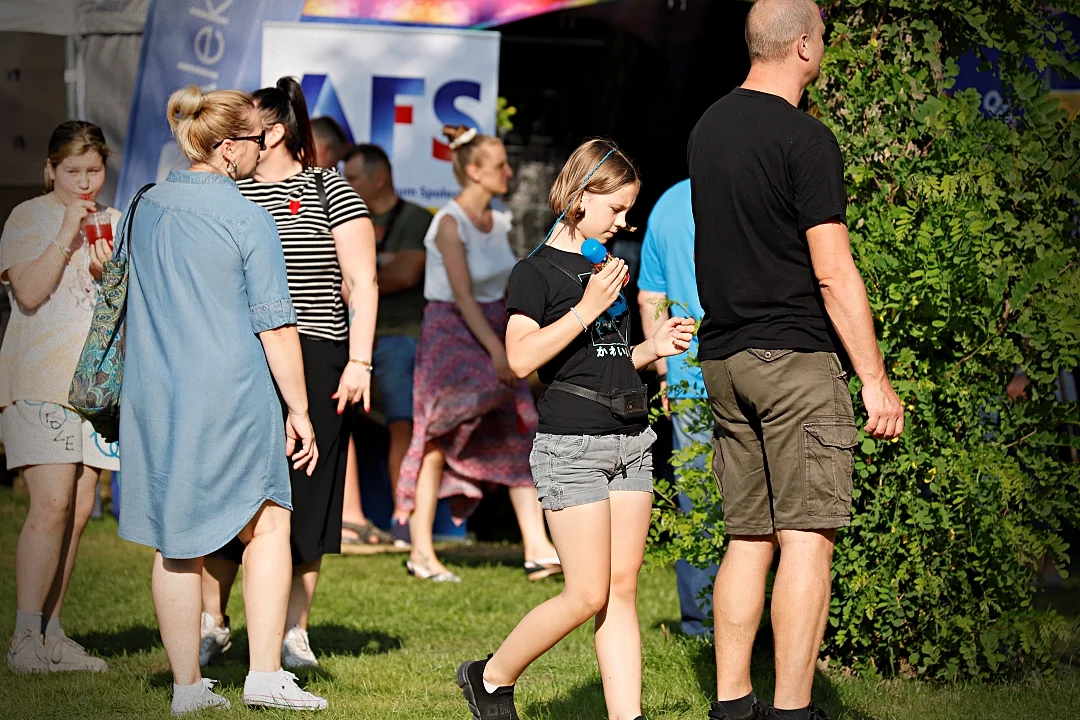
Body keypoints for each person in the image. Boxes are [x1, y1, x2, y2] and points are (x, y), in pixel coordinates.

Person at [687, 2, 905, 719]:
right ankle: (791, 711)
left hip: (723, 358)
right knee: (807, 541)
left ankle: (731, 705)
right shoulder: (805, 138)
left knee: (747, 537)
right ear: (805, 44)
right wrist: (874, 379)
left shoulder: (708, 127)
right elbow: (834, 271)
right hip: (794, 358)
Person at [455, 139, 695, 720]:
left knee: (621, 592)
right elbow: (519, 360)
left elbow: (601, 360)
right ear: (581, 195)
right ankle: (489, 677)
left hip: (630, 441)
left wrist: (649, 348)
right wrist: (587, 308)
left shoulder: (600, 270)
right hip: (573, 446)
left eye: (627, 211)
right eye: (615, 209)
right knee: (586, 594)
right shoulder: (535, 272)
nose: (622, 223)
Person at [117, 85, 326, 714]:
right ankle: (263, 676)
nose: (265, 151)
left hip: (155, 389)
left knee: (174, 539)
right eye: (259, 141)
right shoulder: (248, 215)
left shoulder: (144, 204)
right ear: (228, 145)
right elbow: (277, 324)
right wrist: (300, 411)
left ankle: (187, 688)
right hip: (233, 388)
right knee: (268, 522)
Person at [200, 76, 377, 670]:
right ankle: (213, 621)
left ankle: (292, 632)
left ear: (272, 131)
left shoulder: (328, 187)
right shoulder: (231, 191)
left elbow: (362, 281)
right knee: (234, 485)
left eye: (245, 126)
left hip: (320, 354)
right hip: (244, 355)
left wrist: (359, 360)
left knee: (310, 490)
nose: (232, 139)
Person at [397, 125, 560, 583]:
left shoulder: (502, 218)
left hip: (492, 327)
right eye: (500, 165)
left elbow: (504, 288)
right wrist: (498, 351)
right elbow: (464, 296)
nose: (510, 171)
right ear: (473, 171)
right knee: (436, 435)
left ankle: (537, 547)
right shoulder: (447, 222)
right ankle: (421, 552)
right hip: (451, 334)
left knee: (517, 423)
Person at [0, 121, 119, 674]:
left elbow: (121, 303)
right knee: (48, 506)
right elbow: (27, 291)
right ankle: (24, 636)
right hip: (41, 381)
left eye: (92, 171)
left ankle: (52, 632)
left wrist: (109, 272)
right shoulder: (27, 217)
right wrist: (67, 229)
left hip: (94, 388)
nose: (83, 182)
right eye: (72, 171)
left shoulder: (114, 222)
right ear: (50, 170)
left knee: (76, 512)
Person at [636, 178, 717, 637]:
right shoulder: (747, 185)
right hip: (750, 366)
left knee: (698, 502)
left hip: (686, 375)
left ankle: (701, 623)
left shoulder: (667, 203)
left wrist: (664, 372)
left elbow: (650, 296)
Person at [341, 143, 432, 546]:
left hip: (399, 336)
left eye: (354, 177)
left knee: (403, 427)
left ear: (379, 178)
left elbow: (408, 273)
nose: (346, 184)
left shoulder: (413, 218)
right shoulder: (345, 215)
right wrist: (380, 265)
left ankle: (404, 525)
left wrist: (362, 277)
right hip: (351, 339)